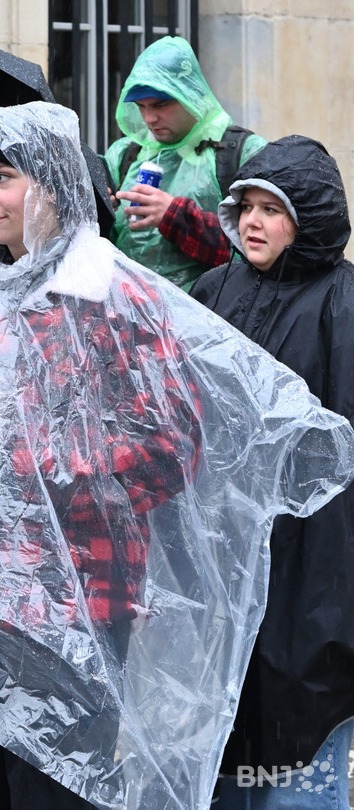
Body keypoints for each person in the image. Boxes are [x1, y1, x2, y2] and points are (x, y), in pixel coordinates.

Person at [0, 101, 354, 810]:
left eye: (1, 177)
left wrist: (57, 464)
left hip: (79, 604)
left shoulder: (111, 298)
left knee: (59, 789)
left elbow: (172, 442)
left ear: (49, 184)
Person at [190, 135, 354, 809]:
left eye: (272, 209)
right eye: (246, 206)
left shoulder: (343, 306)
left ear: (306, 218)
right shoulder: (213, 290)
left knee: (298, 768)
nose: (252, 222)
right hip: (220, 566)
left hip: (312, 570)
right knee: (224, 764)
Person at [107, 36, 266, 290]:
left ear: (190, 95)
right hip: (128, 309)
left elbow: (262, 249)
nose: (149, 118)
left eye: (160, 105)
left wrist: (177, 217)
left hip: (208, 310)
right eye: (141, 106)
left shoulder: (242, 152)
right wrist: (98, 212)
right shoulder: (125, 154)